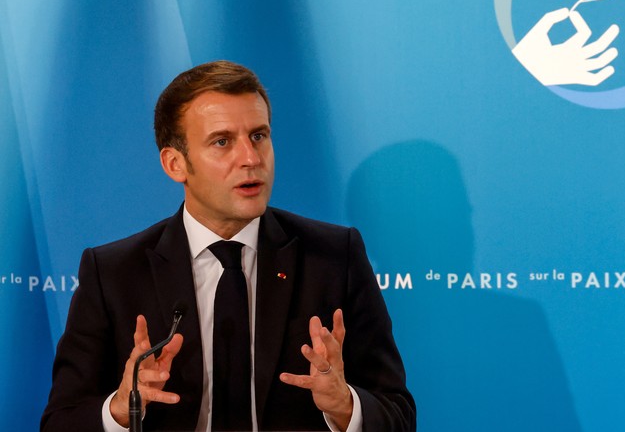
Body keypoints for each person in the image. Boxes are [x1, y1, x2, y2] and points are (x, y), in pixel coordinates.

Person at [41, 61, 415, 431]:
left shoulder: (334, 257)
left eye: (259, 136)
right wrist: (121, 409)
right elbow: (60, 421)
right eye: (222, 142)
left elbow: (398, 413)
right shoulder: (114, 273)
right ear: (175, 164)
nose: (251, 159)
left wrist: (346, 407)